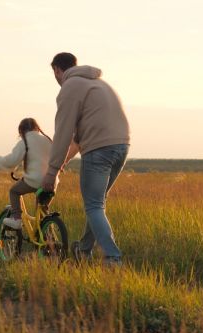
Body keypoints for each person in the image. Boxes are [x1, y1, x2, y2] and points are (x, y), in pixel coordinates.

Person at [42, 52, 130, 266]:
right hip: (121, 146)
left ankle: (112, 259)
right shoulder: (99, 84)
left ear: (56, 70)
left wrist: (51, 172)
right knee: (97, 204)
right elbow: (77, 140)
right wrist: (61, 165)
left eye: (53, 73)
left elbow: (63, 133)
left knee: (93, 206)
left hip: (99, 149)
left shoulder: (69, 87)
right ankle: (83, 250)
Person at [0, 117, 54, 229]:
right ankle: (47, 240)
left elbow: (12, 160)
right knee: (42, 213)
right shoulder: (47, 140)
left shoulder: (25, 141)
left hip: (34, 181)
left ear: (21, 131)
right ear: (37, 127)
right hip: (51, 181)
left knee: (14, 191)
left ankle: (16, 218)